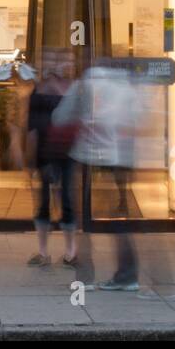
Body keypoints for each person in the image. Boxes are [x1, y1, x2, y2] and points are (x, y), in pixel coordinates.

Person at [54, 61, 142, 290]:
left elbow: (60, 117)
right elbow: (137, 120)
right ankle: (128, 275)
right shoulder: (127, 85)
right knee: (119, 220)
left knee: (84, 221)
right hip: (118, 162)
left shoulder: (85, 83)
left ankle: (85, 279)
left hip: (87, 160)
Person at [26, 51, 77, 268]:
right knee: (45, 201)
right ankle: (45, 251)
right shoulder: (38, 90)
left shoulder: (71, 89)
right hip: (45, 151)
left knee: (65, 199)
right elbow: (31, 127)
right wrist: (29, 157)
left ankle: (70, 252)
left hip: (65, 151)